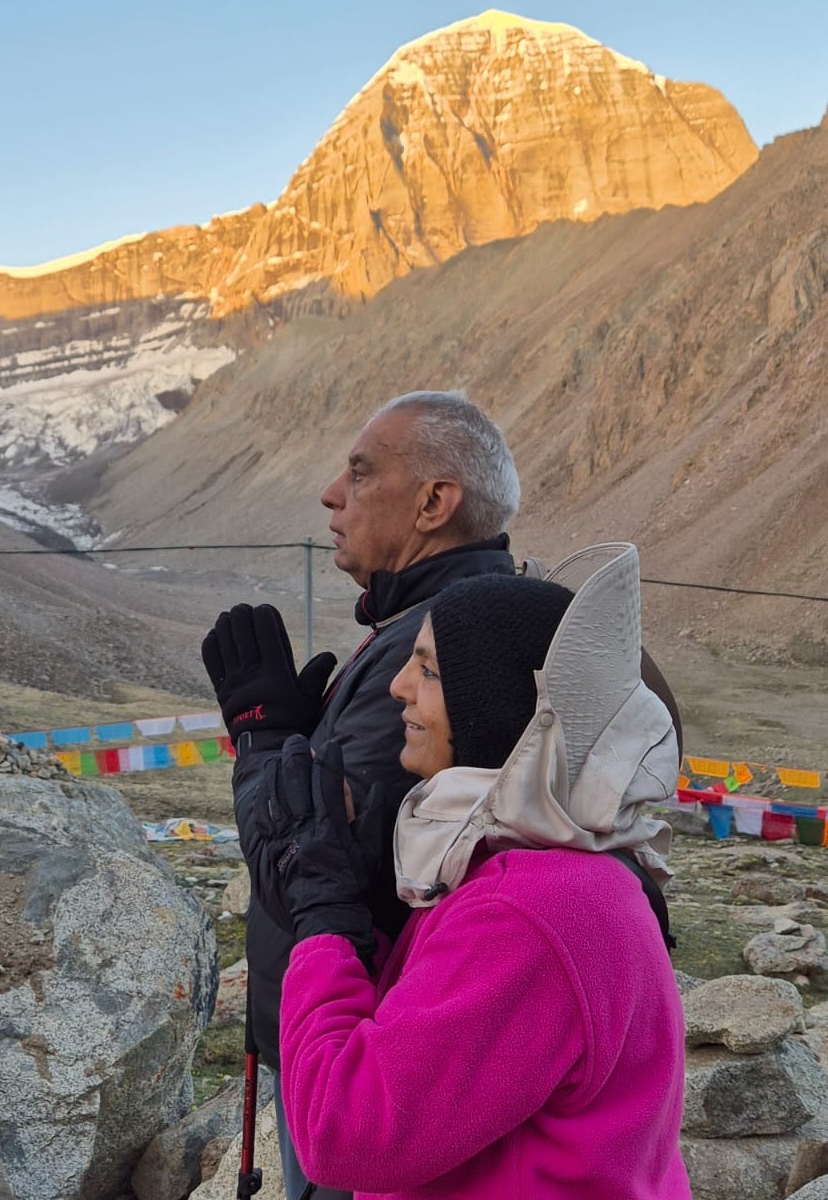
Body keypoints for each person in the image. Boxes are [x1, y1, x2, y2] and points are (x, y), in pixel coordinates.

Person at [252, 545, 690, 1199]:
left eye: (428, 670)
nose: (399, 686)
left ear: (494, 704)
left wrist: (326, 916)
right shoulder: (560, 871)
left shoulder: (527, 911)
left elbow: (339, 1131)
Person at [203, 391, 523, 1200]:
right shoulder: (424, 629)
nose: (330, 496)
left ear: (433, 504)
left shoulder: (441, 646)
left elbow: (310, 864)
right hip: (342, 1021)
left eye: (359, 472)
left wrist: (262, 740)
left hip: (355, 1037)